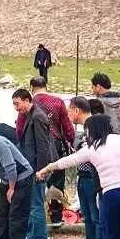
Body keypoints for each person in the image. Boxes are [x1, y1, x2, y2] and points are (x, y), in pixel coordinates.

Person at [28, 76, 75, 226]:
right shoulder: (58, 102)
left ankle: (37, 216)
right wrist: (70, 139)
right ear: (46, 86)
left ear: (31, 87)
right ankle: (55, 216)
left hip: (34, 144)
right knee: (56, 181)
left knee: (37, 179)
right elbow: (67, 126)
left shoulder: (29, 102)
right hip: (55, 144)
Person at [13, 89, 52, 239]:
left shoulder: (38, 117)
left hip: (37, 168)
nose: (16, 108)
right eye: (14, 105)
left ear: (27, 100)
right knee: (31, 204)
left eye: (17, 104)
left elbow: (43, 146)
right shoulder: (28, 115)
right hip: (30, 167)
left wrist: (41, 171)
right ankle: (32, 237)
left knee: (36, 205)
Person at [67, 97, 104, 239]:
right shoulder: (83, 130)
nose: (68, 114)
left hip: (92, 177)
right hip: (82, 176)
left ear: (77, 110)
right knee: (87, 215)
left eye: (69, 110)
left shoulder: (93, 127)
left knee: (95, 214)